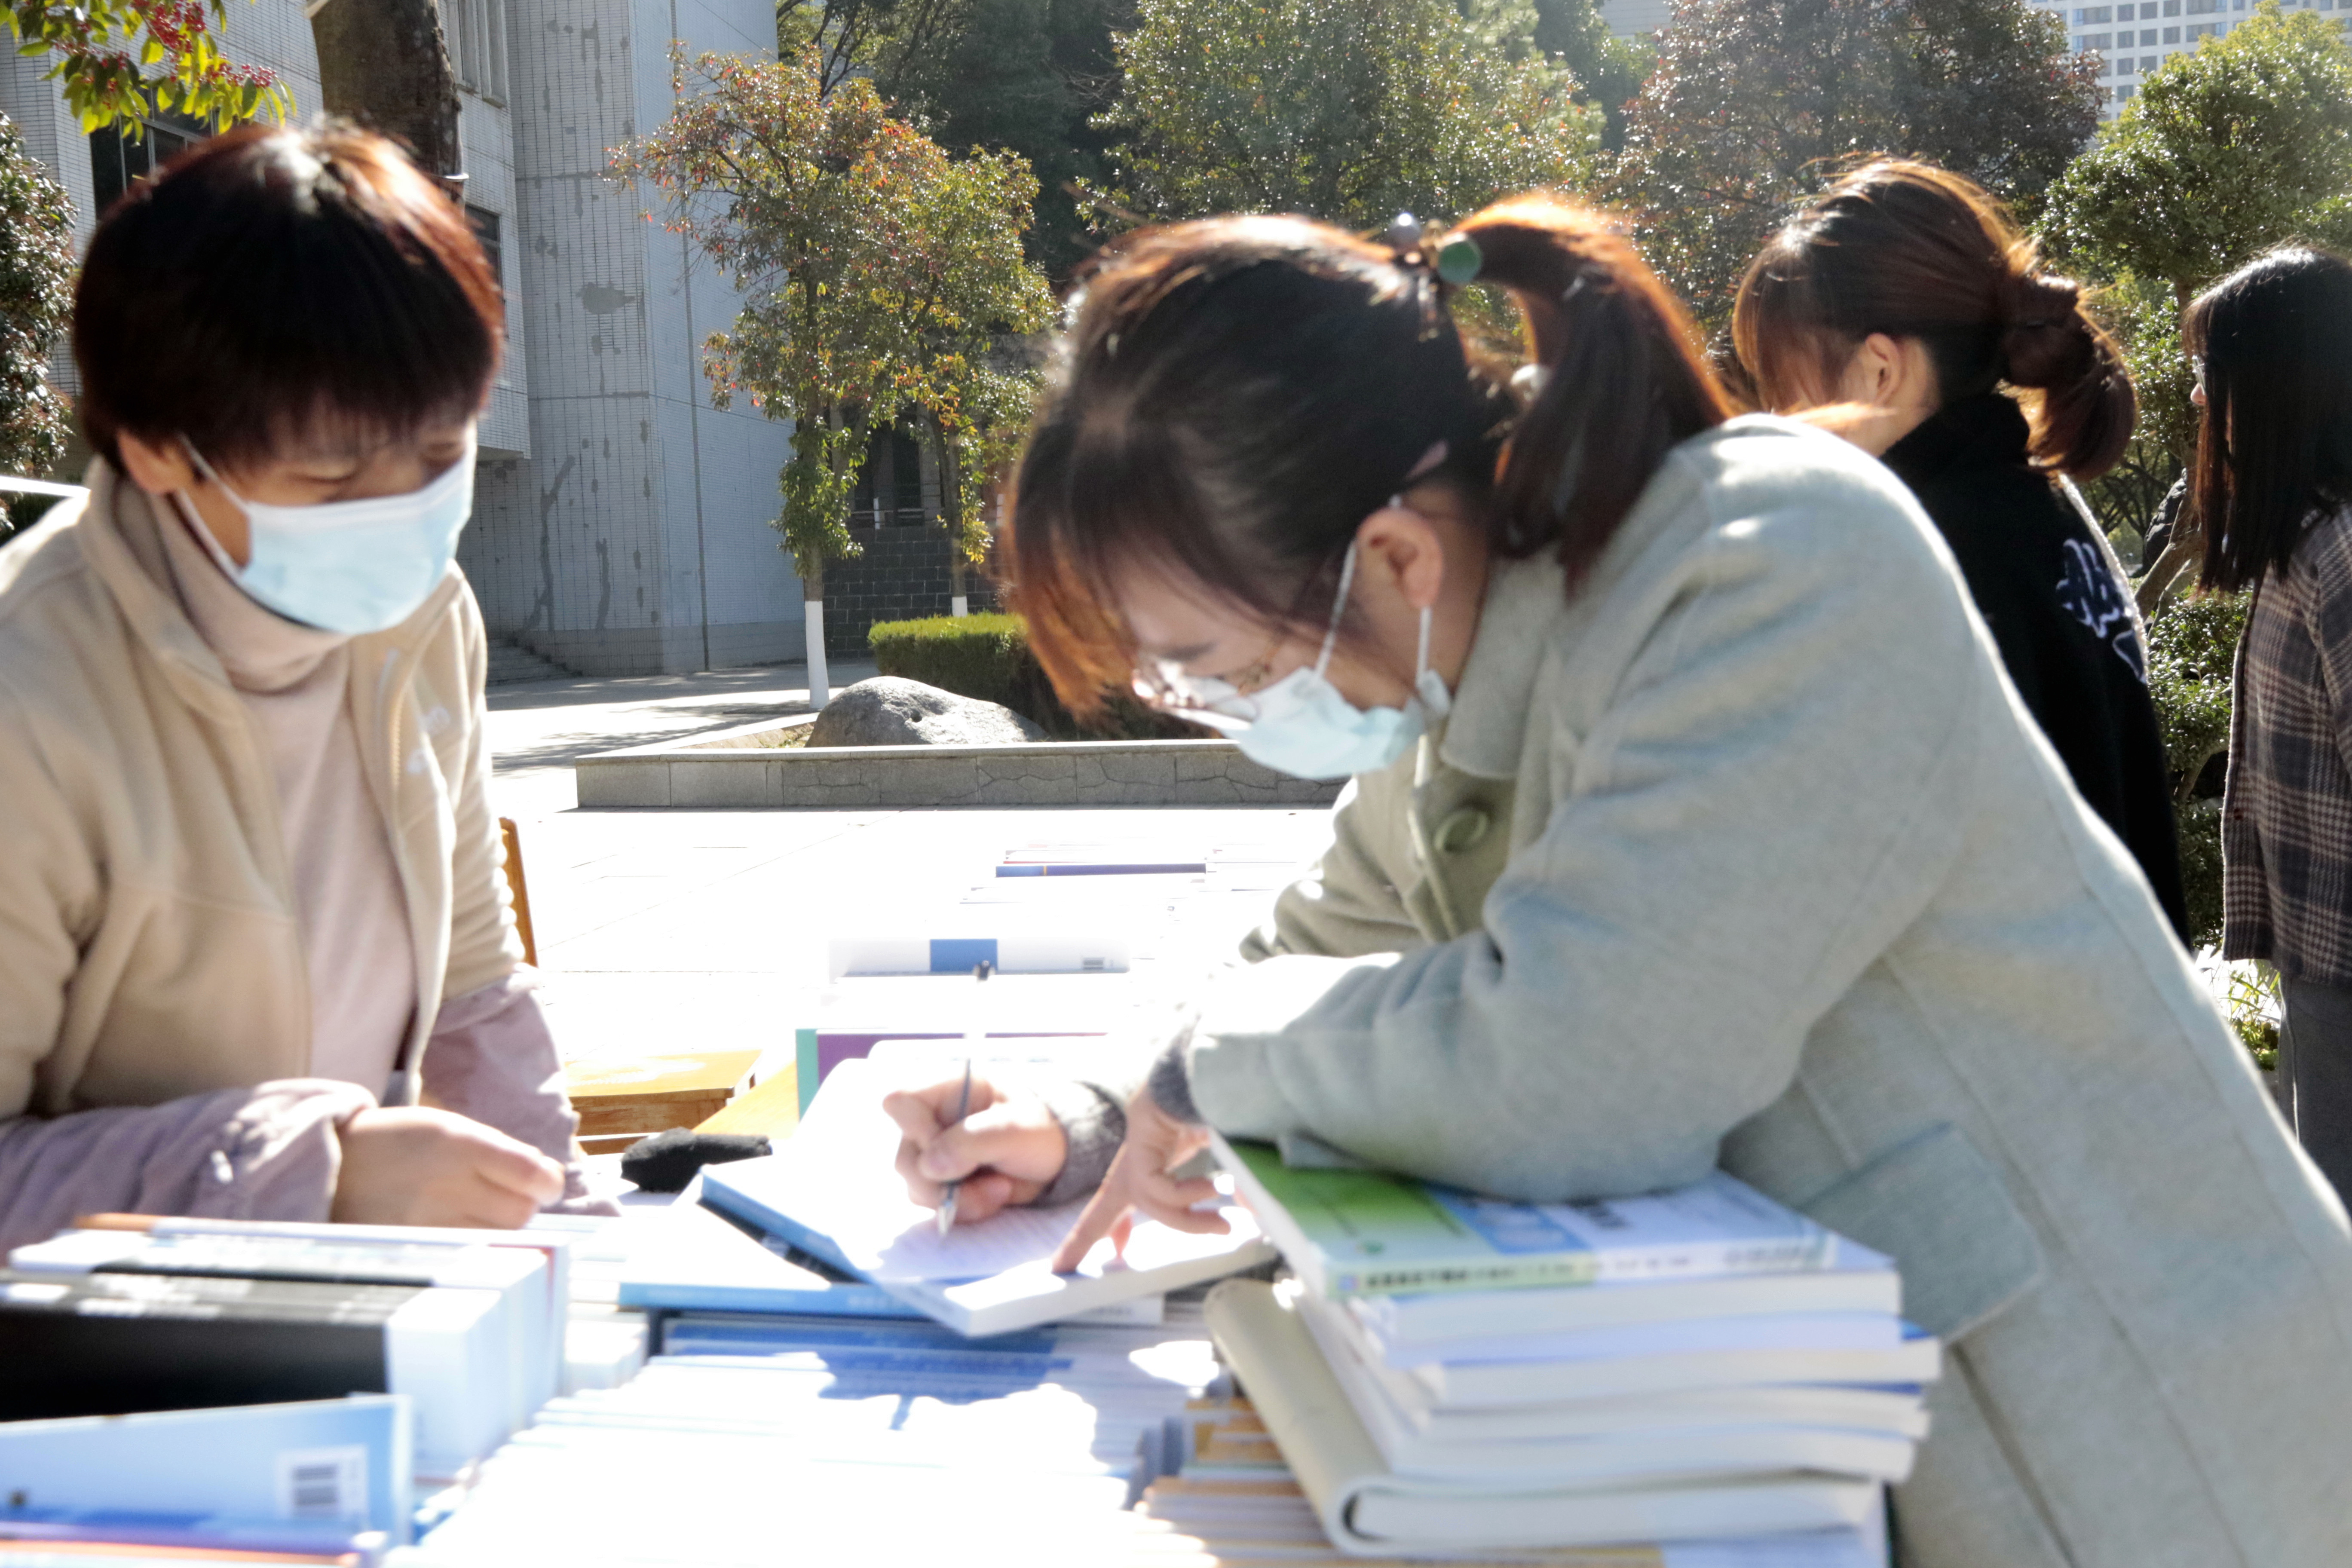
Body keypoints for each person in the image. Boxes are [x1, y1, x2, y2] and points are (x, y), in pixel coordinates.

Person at [881, 197, 2352, 1566]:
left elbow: (1583, 1069)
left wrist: (1212, 1060)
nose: (1222, 711)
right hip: (1873, 1443)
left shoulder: (1768, 558)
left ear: (1390, 555)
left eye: (1213, 668)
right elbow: (1301, 947)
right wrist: (1087, 1115)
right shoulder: (1460, 673)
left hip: (2147, 1455)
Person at [0, 123, 606, 1253]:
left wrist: (569, 1236)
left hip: (342, 1296)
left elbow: (472, 981)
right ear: (157, 447)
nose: (401, 515)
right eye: (330, 478)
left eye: (440, 456)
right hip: (107, 1348)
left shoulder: (424, 614)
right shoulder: (27, 697)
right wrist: (311, 1171)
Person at [1731, 160, 2188, 940]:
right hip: (2114, 990)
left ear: (1878, 370)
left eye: (1783, 388)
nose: (1776, 418)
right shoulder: (2035, 503)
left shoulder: (1909, 548)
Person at [2195, 247, 2352, 1191]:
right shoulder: (2311, 537)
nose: (2200, 396)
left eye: (2209, 370)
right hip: (2322, 951)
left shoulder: (2341, 547)